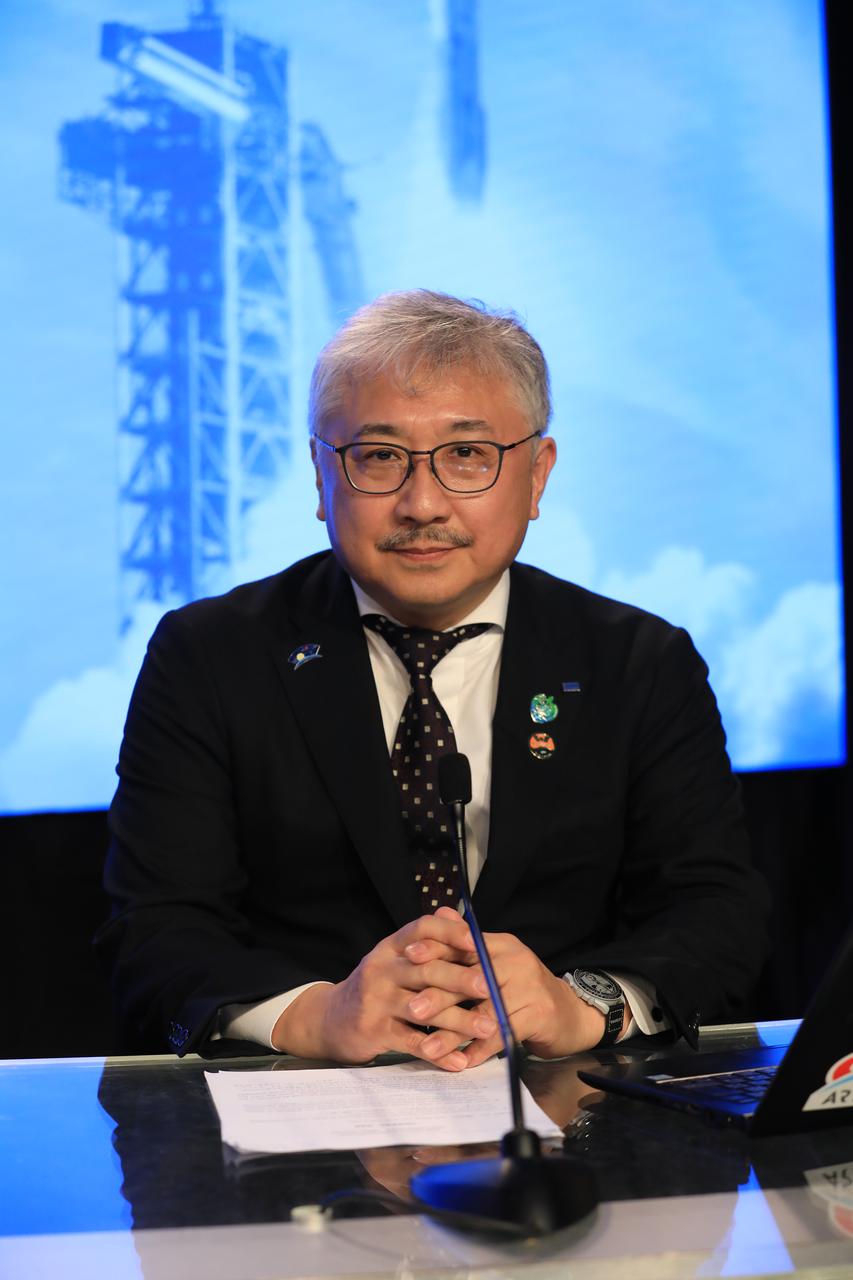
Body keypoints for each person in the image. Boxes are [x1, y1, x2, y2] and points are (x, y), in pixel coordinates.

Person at [97, 289, 768, 1070]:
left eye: (466, 456)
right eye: (378, 457)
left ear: (538, 474)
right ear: (320, 476)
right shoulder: (210, 655)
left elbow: (716, 911)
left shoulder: (637, 662)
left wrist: (582, 1003)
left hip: (575, 1117)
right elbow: (154, 928)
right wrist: (314, 1015)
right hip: (300, 1139)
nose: (422, 504)